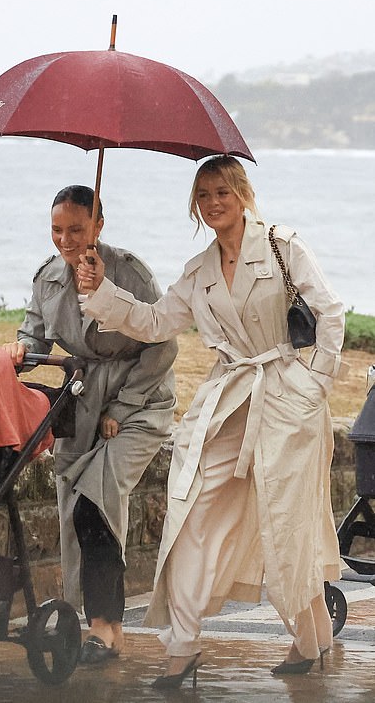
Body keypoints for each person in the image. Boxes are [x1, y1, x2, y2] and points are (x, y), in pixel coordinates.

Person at [77, 156, 346, 688]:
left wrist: (314, 385)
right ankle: (182, 647)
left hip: (289, 401)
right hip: (229, 401)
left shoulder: (282, 247)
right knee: (191, 511)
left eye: (222, 190)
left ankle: (309, 638)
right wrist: (100, 288)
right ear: (195, 205)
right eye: (203, 194)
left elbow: (330, 314)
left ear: (243, 193)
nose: (213, 201)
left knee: (289, 522)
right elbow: (155, 322)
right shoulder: (198, 271)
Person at [3, 185, 177, 664]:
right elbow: (32, 330)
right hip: (79, 407)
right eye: (57, 229)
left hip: (139, 407)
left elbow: (163, 345)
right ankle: (97, 622)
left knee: (93, 505)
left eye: (76, 229)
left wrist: (122, 409)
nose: (65, 239)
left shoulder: (131, 273)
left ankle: (104, 630)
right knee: (72, 513)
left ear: (99, 225)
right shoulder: (48, 278)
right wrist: (21, 350)